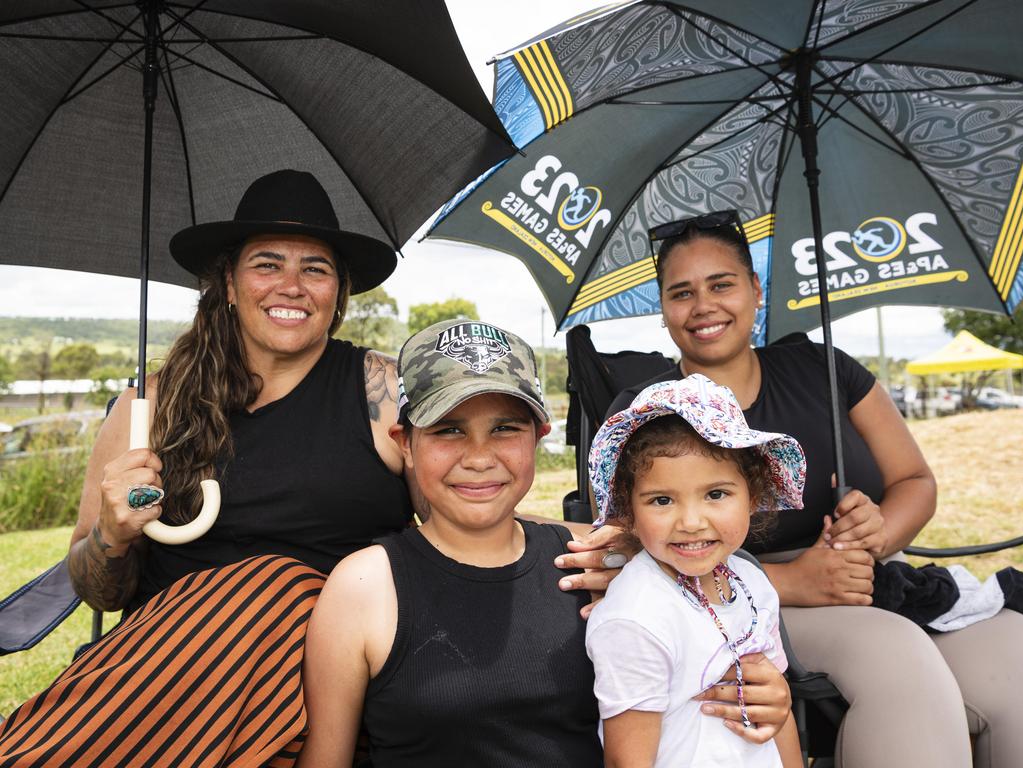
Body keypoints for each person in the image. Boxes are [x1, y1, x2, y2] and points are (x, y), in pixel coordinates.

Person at [0, 171, 615, 767]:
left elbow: (469, 502)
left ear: (338, 294)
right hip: (172, 682)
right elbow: (95, 589)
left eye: (314, 268)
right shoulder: (148, 410)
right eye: (268, 264)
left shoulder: (381, 392)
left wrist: (587, 545)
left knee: (280, 588)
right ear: (231, 283)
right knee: (257, 591)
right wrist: (111, 535)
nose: (291, 285)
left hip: (332, 667)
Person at [608, 210, 1023, 768]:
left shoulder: (823, 368)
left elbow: (914, 481)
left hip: (868, 576)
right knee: (898, 666)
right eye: (681, 292)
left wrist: (876, 534)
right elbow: (614, 542)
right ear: (664, 310)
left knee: (1014, 656)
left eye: (722, 284)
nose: (704, 305)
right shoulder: (646, 413)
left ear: (755, 290)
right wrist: (790, 580)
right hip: (736, 598)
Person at [297, 321, 795, 768]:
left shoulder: (604, 563)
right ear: (404, 442)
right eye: (449, 430)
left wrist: (768, 694)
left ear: (538, 435)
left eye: (504, 429)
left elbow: (711, 648)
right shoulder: (365, 588)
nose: (478, 457)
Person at [586, 376, 802, 768]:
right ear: (628, 510)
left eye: (715, 494)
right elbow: (627, 761)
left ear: (752, 496)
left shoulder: (752, 582)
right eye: (662, 500)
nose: (690, 521)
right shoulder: (637, 617)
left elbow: (775, 710)